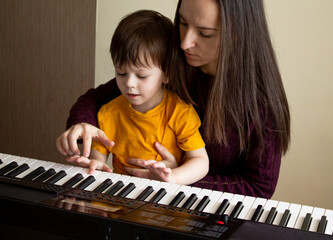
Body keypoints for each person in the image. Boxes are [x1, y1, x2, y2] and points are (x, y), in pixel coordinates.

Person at [57, 0, 290, 199]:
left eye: (205, 33)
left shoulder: (262, 104)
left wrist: (179, 175)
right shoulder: (174, 61)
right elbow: (97, 98)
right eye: (183, 22)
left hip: (210, 212)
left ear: (238, 34)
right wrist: (83, 124)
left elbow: (259, 188)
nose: (185, 42)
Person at [59, 10, 209, 185]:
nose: (129, 83)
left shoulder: (180, 112)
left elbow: (200, 161)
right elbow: (98, 159)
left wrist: (173, 177)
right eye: (121, 73)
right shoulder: (109, 112)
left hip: (166, 196)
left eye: (142, 76)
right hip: (123, 197)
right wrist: (94, 165)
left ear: (167, 74)